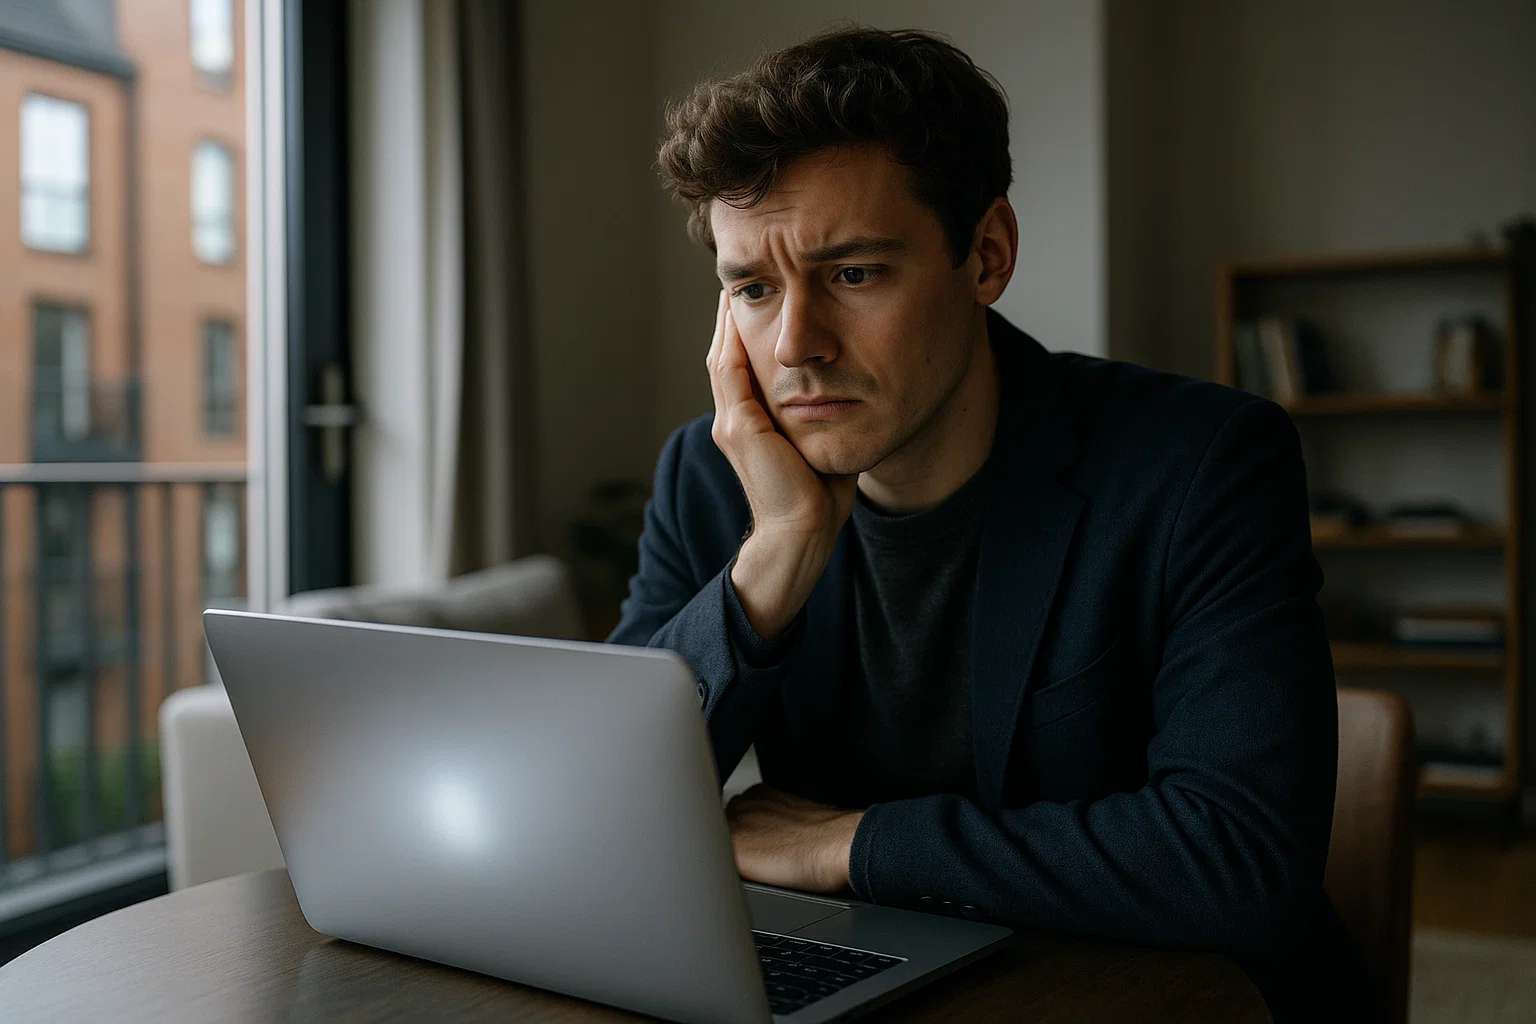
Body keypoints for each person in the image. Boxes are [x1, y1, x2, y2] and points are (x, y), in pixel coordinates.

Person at [609, 26, 1376, 1021]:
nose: (794, 344)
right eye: (752, 287)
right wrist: (776, 555)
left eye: (853, 273)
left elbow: (1237, 864)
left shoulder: (1202, 463)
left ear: (987, 254)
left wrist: (847, 842)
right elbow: (609, 822)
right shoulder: (709, 481)